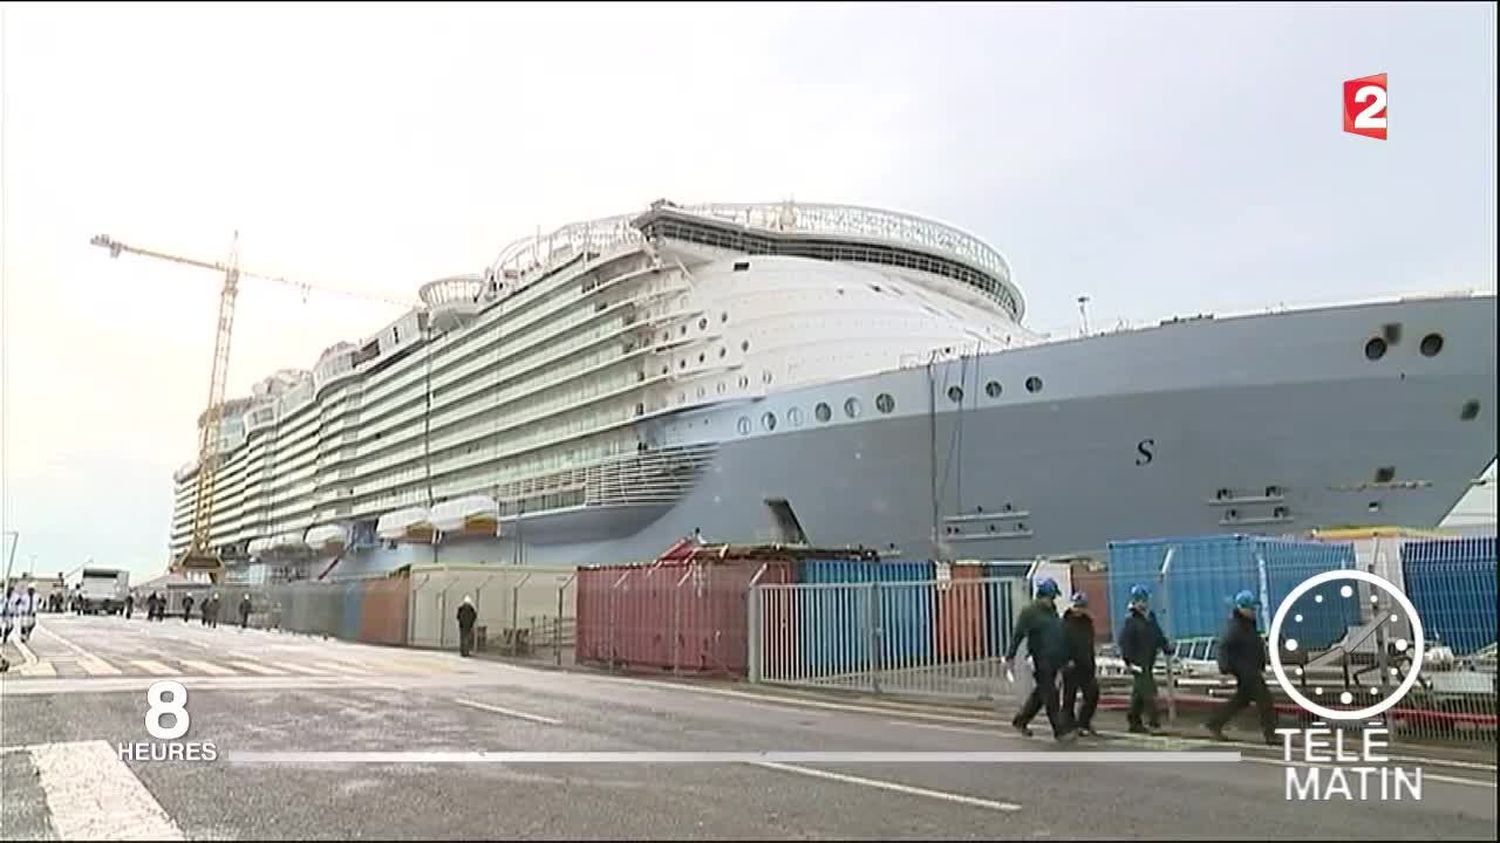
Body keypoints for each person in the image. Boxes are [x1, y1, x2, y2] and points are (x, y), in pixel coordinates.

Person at [1004, 577, 1076, 742]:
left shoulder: (1052, 611)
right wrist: (1010, 656)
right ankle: (1060, 731)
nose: (1052, 601)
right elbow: (1018, 634)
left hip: (1054, 658)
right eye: (1051, 598)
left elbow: (1057, 634)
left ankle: (1021, 720)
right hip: (1040, 658)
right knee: (1051, 695)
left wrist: (1066, 658)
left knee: (1041, 693)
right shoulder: (1030, 612)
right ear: (1042, 596)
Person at [1206, 590, 1278, 745]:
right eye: (1251, 608)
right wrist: (1225, 669)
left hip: (1250, 668)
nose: (1254, 612)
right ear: (1242, 608)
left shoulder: (1247, 625)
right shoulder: (1236, 627)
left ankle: (1214, 723)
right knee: (1265, 701)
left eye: (1254, 609)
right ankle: (1270, 734)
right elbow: (1223, 647)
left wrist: (1260, 663)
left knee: (1241, 701)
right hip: (1245, 670)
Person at [1119, 584, 1173, 735]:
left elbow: (1157, 635)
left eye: (1145, 600)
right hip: (1137, 662)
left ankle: (1133, 720)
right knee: (1148, 691)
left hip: (1148, 660)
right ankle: (1154, 723)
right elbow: (1125, 642)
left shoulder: (1150, 618)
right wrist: (1128, 660)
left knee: (1139, 693)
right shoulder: (1131, 621)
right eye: (1140, 600)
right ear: (1135, 602)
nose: (1144, 603)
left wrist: (1165, 646)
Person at [1061, 590, 1101, 736]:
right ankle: (1068, 725)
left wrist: (1091, 660)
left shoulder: (1087, 623)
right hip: (1071, 665)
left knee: (1093, 693)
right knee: (1069, 697)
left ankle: (1084, 721)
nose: (1079, 610)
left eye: (1082, 607)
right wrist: (1066, 660)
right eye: (1077, 606)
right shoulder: (1065, 623)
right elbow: (1061, 644)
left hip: (1086, 664)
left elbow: (1089, 644)